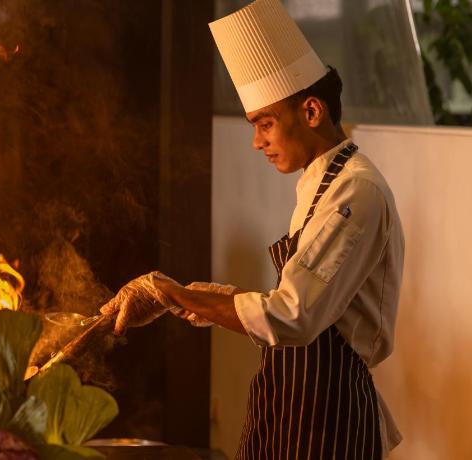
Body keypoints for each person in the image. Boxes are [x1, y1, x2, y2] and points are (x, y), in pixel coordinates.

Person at [100, 0, 405, 459]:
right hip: (292, 405)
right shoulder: (322, 182)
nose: (256, 142)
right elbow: (297, 302)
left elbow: (292, 316)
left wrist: (169, 293)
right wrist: (200, 297)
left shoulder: (355, 191)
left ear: (311, 111)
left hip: (329, 418)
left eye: (265, 124)